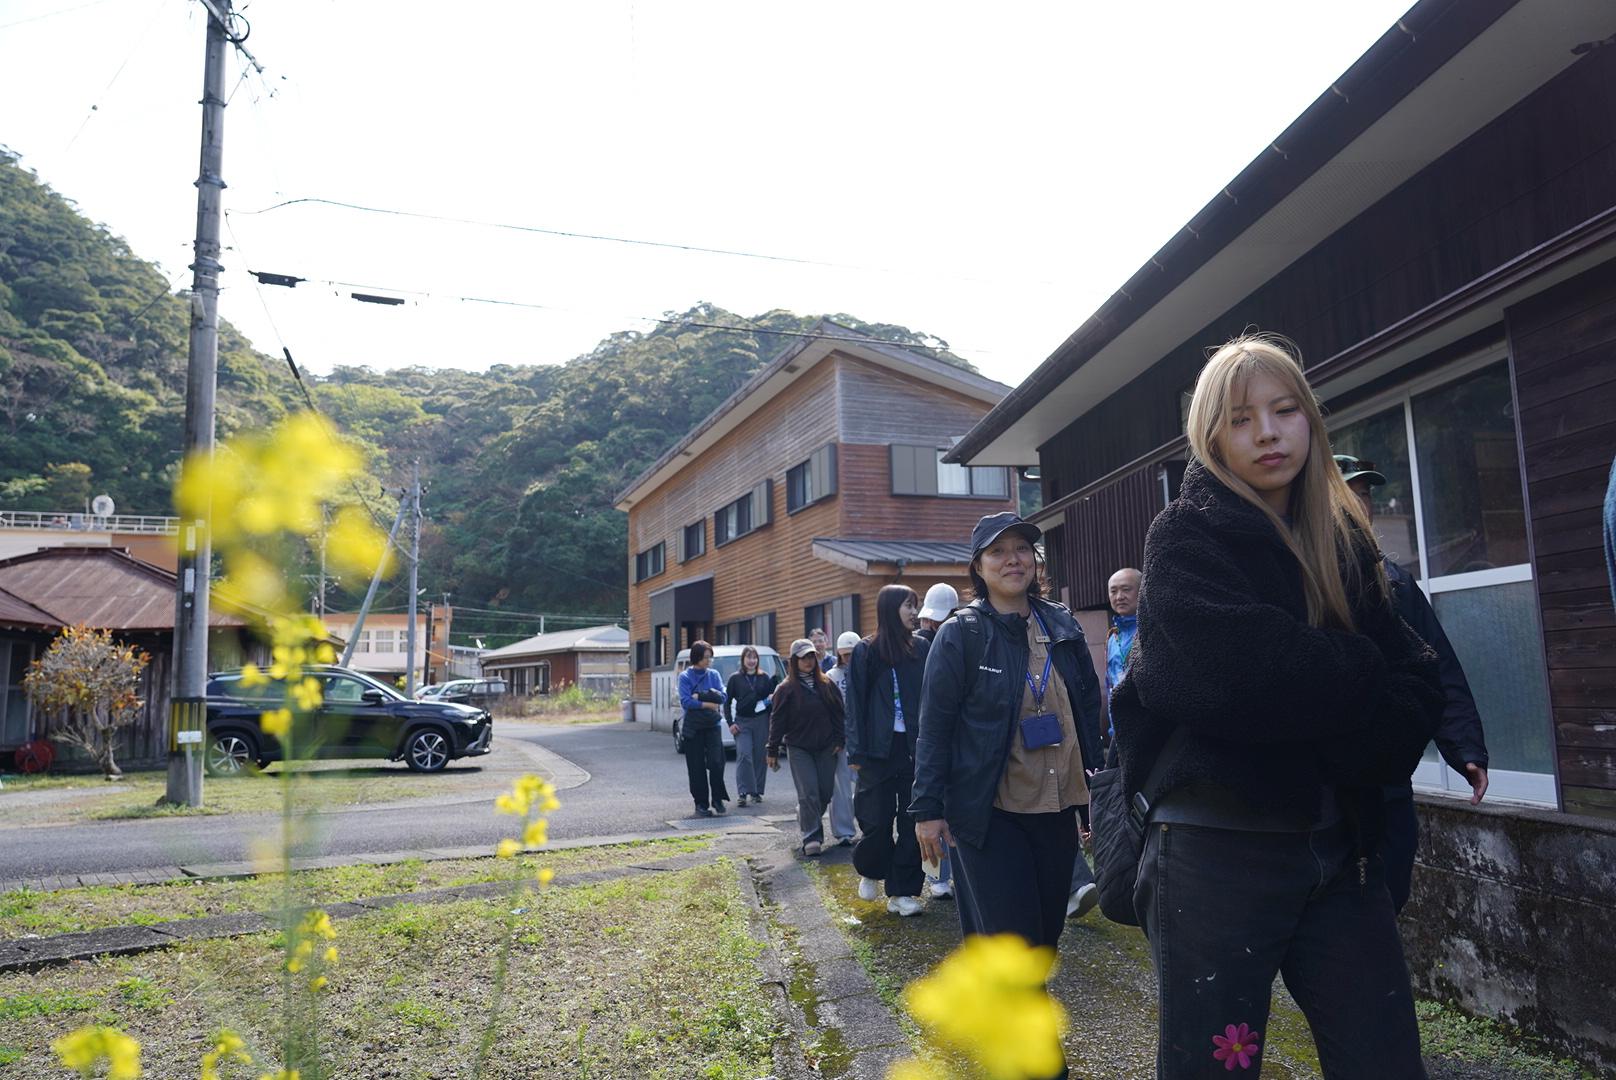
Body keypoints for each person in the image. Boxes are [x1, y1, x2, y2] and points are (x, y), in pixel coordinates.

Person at [1112, 333, 1444, 1079]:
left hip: (1342, 851)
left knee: (1386, 1061)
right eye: (1240, 418)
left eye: (1285, 409)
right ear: (1210, 435)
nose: (1267, 430)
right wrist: (1359, 671)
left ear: (1310, 420)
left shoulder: (1344, 541)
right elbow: (1228, 679)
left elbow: (1419, 686)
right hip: (1214, 855)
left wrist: (1311, 704)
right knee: (1217, 1066)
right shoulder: (1184, 536)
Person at [912, 512, 1104, 950]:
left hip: (1057, 809)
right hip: (991, 810)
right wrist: (927, 810)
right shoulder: (961, 635)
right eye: (997, 551)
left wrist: (1099, 792)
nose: (1012, 559)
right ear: (978, 568)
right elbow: (934, 727)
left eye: (1022, 549)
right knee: (1009, 942)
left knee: (1046, 939)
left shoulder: (1061, 624)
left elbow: (1087, 708)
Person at [1337, 453, 1489, 911]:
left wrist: (1464, 748)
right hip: (1329, 784)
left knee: (1390, 891)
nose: (1361, 504)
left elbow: (1437, 663)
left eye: (1365, 494)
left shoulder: (1395, 581)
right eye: (1349, 492)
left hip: (1390, 780)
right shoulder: (1301, 574)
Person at [847, 585, 930, 917]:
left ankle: (903, 893)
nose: (914, 612)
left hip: (913, 748)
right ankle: (870, 868)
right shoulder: (866, 651)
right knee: (876, 820)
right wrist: (856, 752)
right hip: (876, 751)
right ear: (889, 609)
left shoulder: (922, 648)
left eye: (916, 606)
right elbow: (854, 704)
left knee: (913, 823)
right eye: (908, 606)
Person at [767, 639, 846, 856]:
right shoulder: (785, 689)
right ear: (794, 661)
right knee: (808, 792)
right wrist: (772, 749)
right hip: (799, 748)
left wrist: (840, 740)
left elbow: (838, 714)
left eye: (811, 656)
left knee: (825, 792)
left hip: (826, 746)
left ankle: (805, 815)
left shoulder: (826, 683)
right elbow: (777, 720)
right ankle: (812, 836)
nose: (808, 661)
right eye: (803, 657)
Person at [915, 582, 959, 899]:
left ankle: (942, 878)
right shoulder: (923, 645)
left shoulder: (959, 638)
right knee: (935, 810)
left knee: (944, 810)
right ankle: (937, 878)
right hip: (935, 734)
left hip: (939, 735)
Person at [678, 641, 731, 818]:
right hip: (693, 727)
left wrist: (700, 696)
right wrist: (708, 703)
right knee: (696, 766)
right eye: (706, 657)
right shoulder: (685, 677)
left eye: (710, 657)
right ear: (697, 657)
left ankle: (718, 798)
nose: (709, 660)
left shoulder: (714, 674)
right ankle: (700, 803)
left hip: (712, 725)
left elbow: (723, 696)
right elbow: (686, 702)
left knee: (717, 762)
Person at [725, 645, 778, 808]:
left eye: (754, 658)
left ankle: (756, 791)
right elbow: (727, 702)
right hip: (742, 721)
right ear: (743, 660)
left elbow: (771, 703)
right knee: (744, 755)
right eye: (748, 657)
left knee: (760, 756)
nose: (751, 661)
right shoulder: (735, 678)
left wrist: (771, 722)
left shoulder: (764, 677)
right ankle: (743, 792)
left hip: (761, 720)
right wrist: (730, 723)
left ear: (757, 660)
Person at [826, 631, 861, 847]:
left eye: (852, 654)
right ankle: (844, 831)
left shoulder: (866, 672)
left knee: (863, 785)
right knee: (840, 788)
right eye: (845, 654)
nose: (848, 659)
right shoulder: (831, 676)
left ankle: (866, 826)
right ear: (838, 654)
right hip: (839, 736)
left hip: (861, 737)